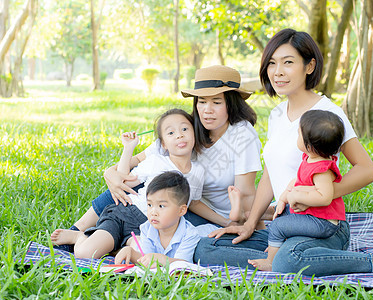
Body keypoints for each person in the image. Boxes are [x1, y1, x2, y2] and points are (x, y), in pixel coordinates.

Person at [197, 28, 373, 276]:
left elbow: (366, 170)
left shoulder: (328, 113)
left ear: (309, 66)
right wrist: (250, 224)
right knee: (206, 248)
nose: (278, 72)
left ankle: (372, 262)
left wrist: (319, 194)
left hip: (322, 224)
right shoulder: (277, 114)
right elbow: (269, 174)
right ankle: (290, 258)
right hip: (286, 223)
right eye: (272, 63)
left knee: (289, 260)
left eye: (288, 62)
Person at [86, 65, 263, 231]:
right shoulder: (187, 129)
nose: (207, 110)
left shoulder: (242, 135)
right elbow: (138, 161)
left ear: (231, 104)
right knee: (129, 188)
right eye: (202, 102)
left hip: (212, 216)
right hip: (178, 203)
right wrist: (110, 172)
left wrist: (245, 226)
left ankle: (108, 239)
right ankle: (77, 231)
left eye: (217, 102)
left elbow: (246, 194)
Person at [51, 109, 204, 258]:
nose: (179, 135)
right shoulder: (156, 161)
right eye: (171, 133)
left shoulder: (198, 171)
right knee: (85, 253)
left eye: (185, 129)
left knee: (144, 257)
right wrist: (128, 148)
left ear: (194, 134)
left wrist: (225, 221)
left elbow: (194, 203)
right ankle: (79, 237)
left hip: (148, 228)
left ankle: (115, 246)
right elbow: (123, 181)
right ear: (163, 143)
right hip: (125, 214)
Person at [248, 109, 346, 271]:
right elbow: (297, 180)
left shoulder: (322, 169)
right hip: (312, 217)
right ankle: (276, 245)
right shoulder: (310, 159)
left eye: (299, 133)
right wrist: (284, 197)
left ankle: (271, 261)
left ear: (309, 145)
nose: (297, 136)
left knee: (278, 225)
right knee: (283, 214)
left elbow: (325, 197)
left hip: (324, 223)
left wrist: (298, 195)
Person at [114, 171, 200, 266]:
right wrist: (131, 252)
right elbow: (146, 259)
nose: (153, 212)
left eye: (161, 206)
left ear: (181, 210)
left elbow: (183, 265)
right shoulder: (147, 228)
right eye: (150, 205)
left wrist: (163, 259)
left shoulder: (189, 234)